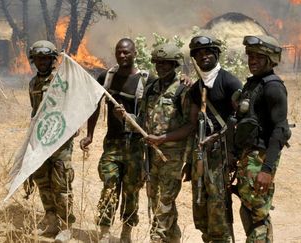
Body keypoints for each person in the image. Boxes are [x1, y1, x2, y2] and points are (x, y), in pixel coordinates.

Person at [80, 38, 153, 243]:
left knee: (131, 190)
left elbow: (156, 108)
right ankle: (104, 231)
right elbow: (95, 105)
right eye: (119, 52)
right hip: (112, 143)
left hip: (135, 145)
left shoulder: (146, 80)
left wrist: (184, 81)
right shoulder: (107, 77)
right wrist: (90, 134)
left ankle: (126, 232)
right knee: (110, 184)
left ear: (135, 53)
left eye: (126, 52)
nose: (122, 56)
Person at [232, 35, 291, 242]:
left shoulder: (272, 87)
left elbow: (281, 130)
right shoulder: (253, 85)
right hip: (248, 158)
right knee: (248, 211)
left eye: (258, 56)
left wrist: (267, 170)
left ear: (270, 59)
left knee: (258, 217)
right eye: (250, 56)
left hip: (261, 159)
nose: (252, 60)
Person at [187, 34, 243, 243]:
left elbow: (241, 120)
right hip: (201, 156)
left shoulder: (229, 81)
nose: (204, 57)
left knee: (219, 207)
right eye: (199, 54)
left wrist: (232, 155)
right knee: (201, 207)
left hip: (222, 155)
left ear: (217, 54)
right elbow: (192, 125)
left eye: (208, 52)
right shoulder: (196, 88)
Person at [139, 43, 195, 243]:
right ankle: (174, 238)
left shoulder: (183, 89)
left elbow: (191, 125)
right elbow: (143, 118)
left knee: (166, 199)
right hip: (152, 154)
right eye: (159, 63)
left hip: (173, 156)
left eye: (166, 64)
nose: (161, 67)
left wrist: (163, 139)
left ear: (174, 65)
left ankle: (158, 238)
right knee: (154, 198)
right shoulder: (152, 88)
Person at [26, 40, 75, 242]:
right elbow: (34, 112)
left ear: (53, 59)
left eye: (46, 58)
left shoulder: (61, 81)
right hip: (40, 141)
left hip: (60, 142)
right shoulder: (32, 84)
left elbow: (72, 107)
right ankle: (52, 220)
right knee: (43, 181)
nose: (42, 62)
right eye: (38, 58)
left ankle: (66, 226)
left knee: (61, 185)